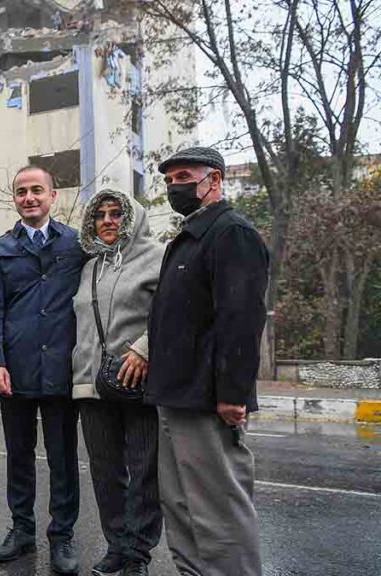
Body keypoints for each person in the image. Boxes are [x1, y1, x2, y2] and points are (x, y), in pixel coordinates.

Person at [147, 147, 268, 576]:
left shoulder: (231, 233)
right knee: (181, 505)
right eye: (169, 180)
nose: (174, 186)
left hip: (206, 397)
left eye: (184, 176)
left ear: (213, 181)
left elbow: (241, 318)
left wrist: (233, 393)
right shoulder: (188, 237)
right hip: (174, 393)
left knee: (218, 510)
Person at [0, 165, 86, 573]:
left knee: (62, 458)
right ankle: (22, 530)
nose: (29, 197)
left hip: (62, 369)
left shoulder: (77, 245)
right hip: (15, 372)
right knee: (18, 457)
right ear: (15, 199)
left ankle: (62, 536)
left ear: (52, 195)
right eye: (21, 191)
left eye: (36, 190)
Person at [71, 190, 164, 576]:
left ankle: (138, 553)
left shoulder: (158, 256)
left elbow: (172, 313)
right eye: (101, 215)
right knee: (105, 470)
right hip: (91, 385)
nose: (108, 220)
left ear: (132, 218)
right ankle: (116, 545)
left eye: (116, 214)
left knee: (144, 470)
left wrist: (144, 349)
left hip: (137, 382)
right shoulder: (89, 266)